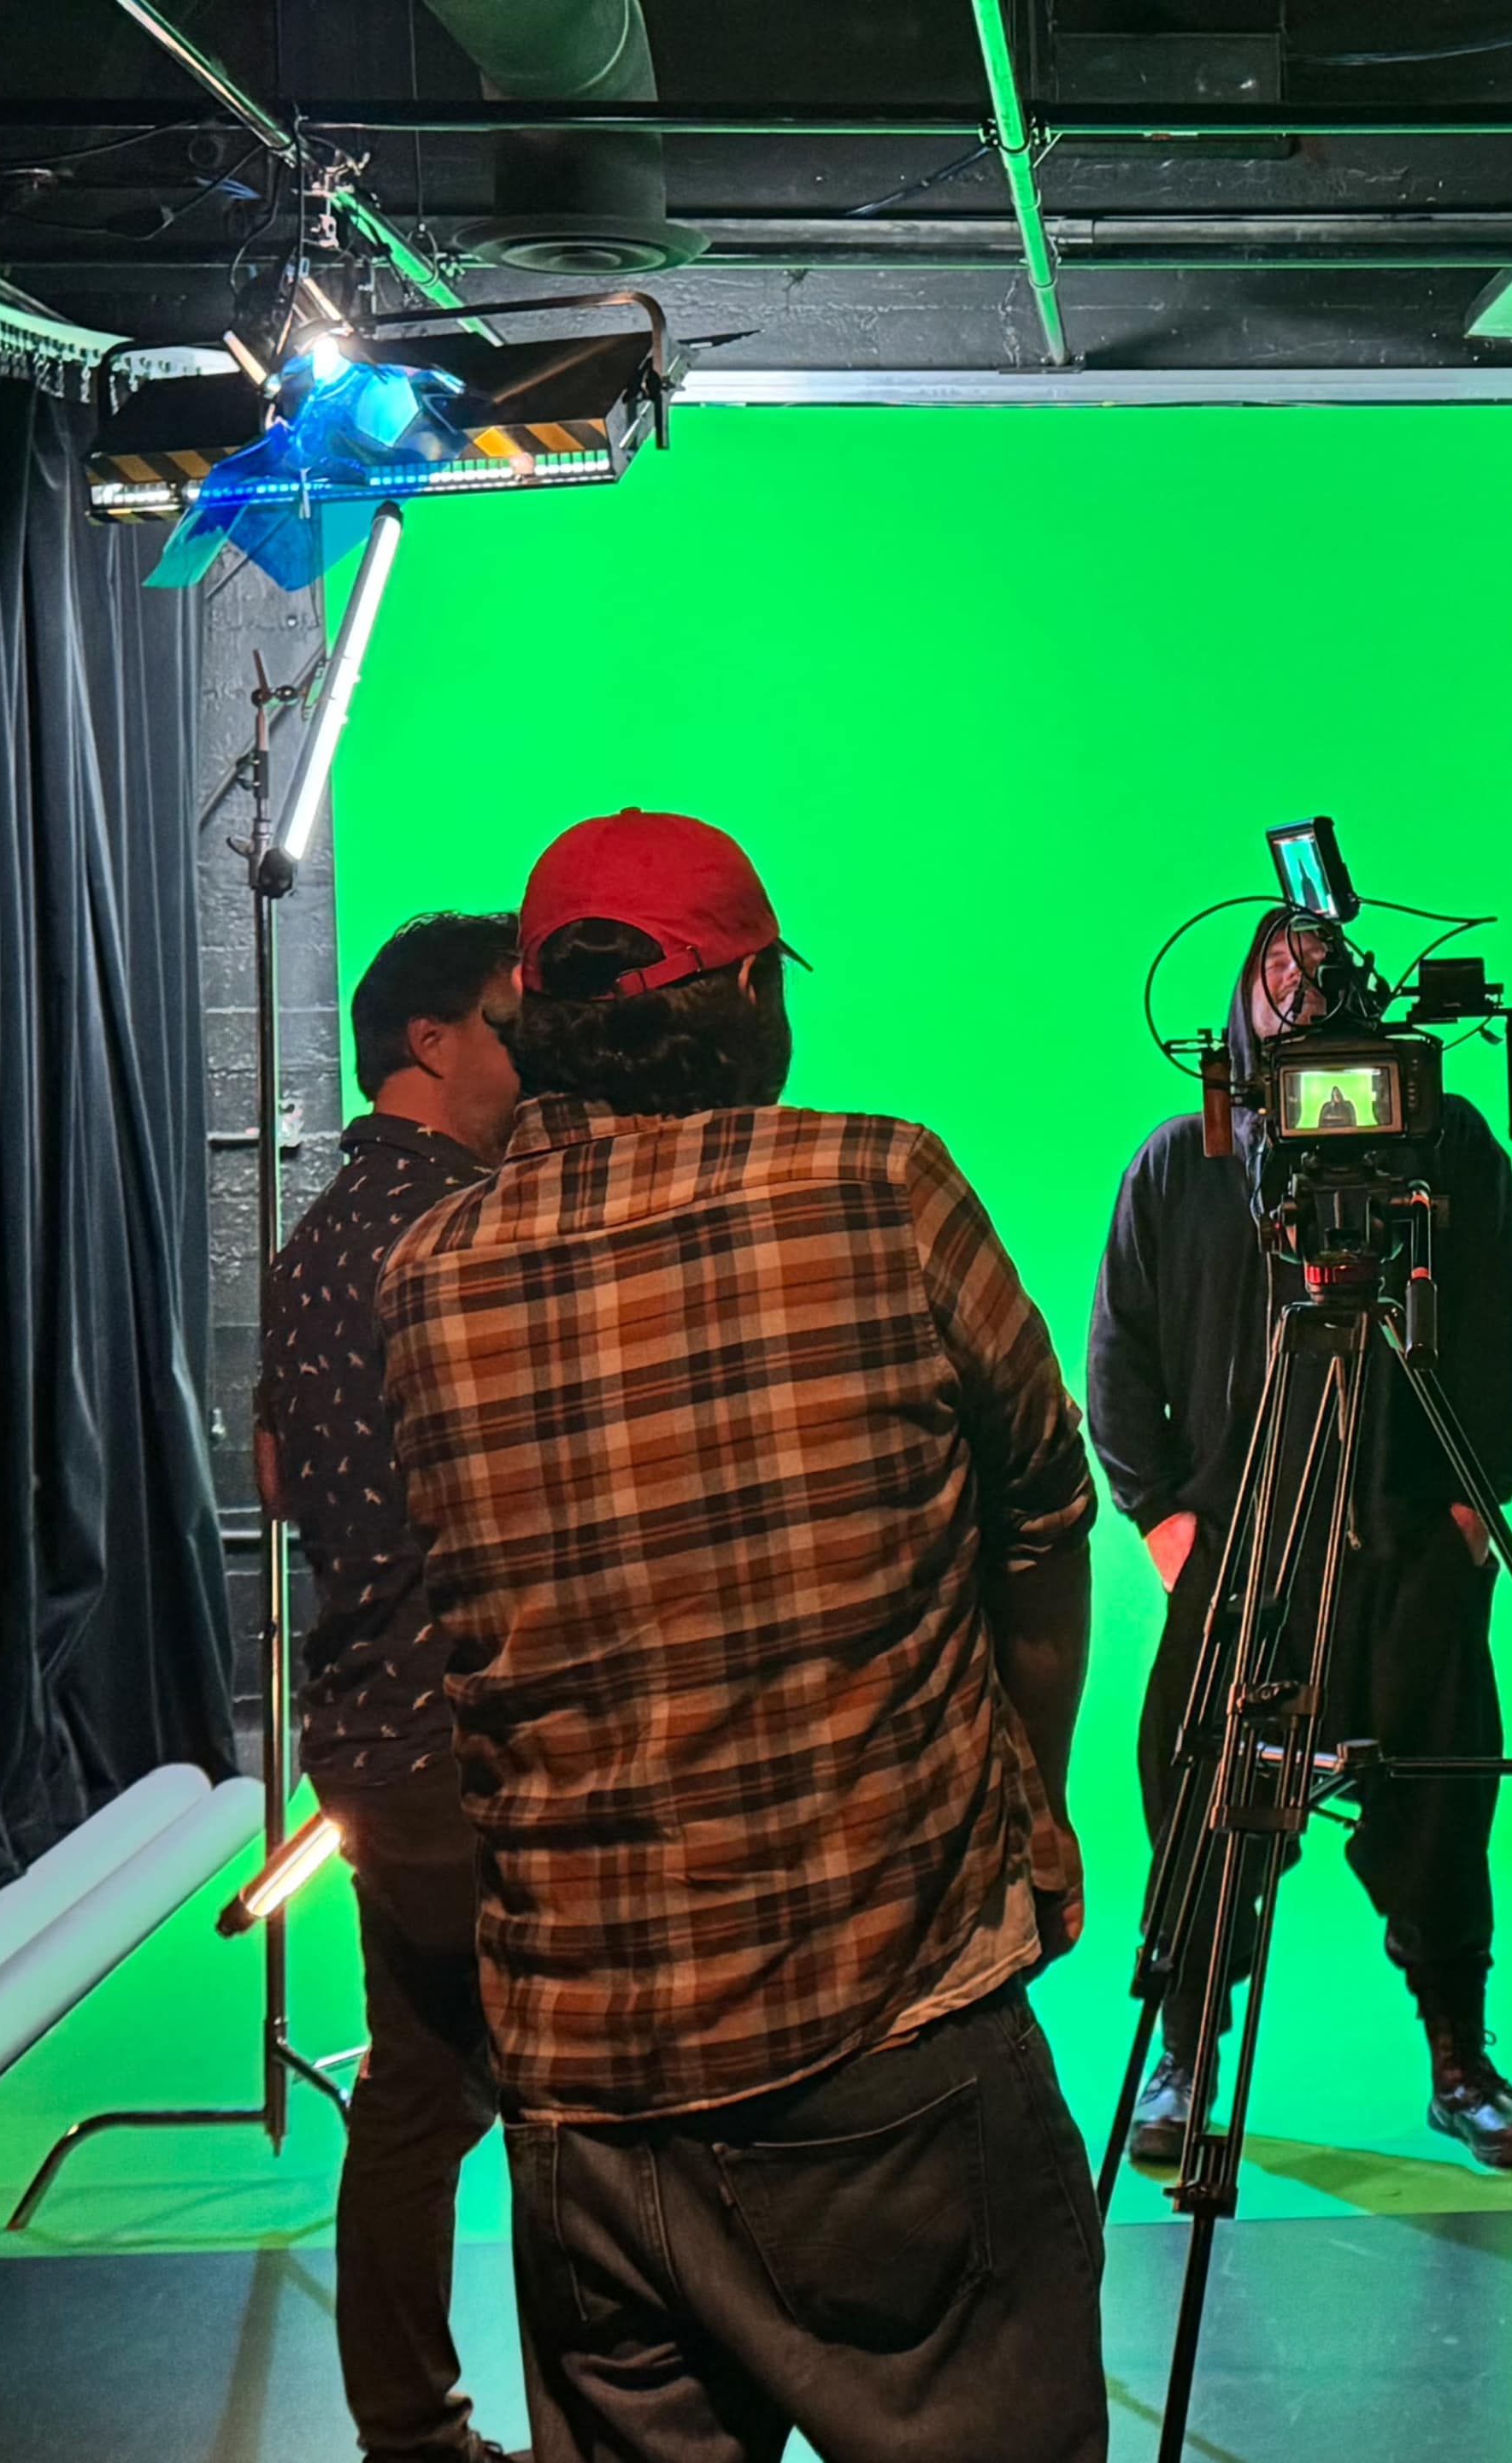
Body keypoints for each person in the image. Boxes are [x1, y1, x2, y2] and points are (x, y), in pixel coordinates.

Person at [377, 810, 1104, 2463]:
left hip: (584, 2111)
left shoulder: (428, 1278)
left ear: (538, 1025)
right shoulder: (885, 1184)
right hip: (893, 2061)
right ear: (754, 1004)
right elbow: (1046, 1521)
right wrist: (1030, 1806)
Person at [1089, 910, 1512, 2170]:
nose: (1303, 994)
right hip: (1240, 1556)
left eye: (1322, 971)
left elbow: (1504, 1337)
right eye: (1278, 972)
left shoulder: (1448, 1148)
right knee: (1200, 1800)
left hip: (1410, 1548)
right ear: (1241, 1009)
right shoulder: (1179, 1163)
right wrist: (1171, 1527)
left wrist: (1469, 1512)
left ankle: (1461, 2059)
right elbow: (1119, 1363)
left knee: (1443, 1810)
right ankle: (1185, 2057)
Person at [255, 910, 524, 2463]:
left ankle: (411, 2435)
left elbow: (281, 1474)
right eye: (509, 1021)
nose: (531, 1051)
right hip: (472, 1743)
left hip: (368, 1739)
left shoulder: (313, 1243)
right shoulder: (464, 1230)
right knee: (568, 2104)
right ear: (428, 1041)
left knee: (419, 2101)